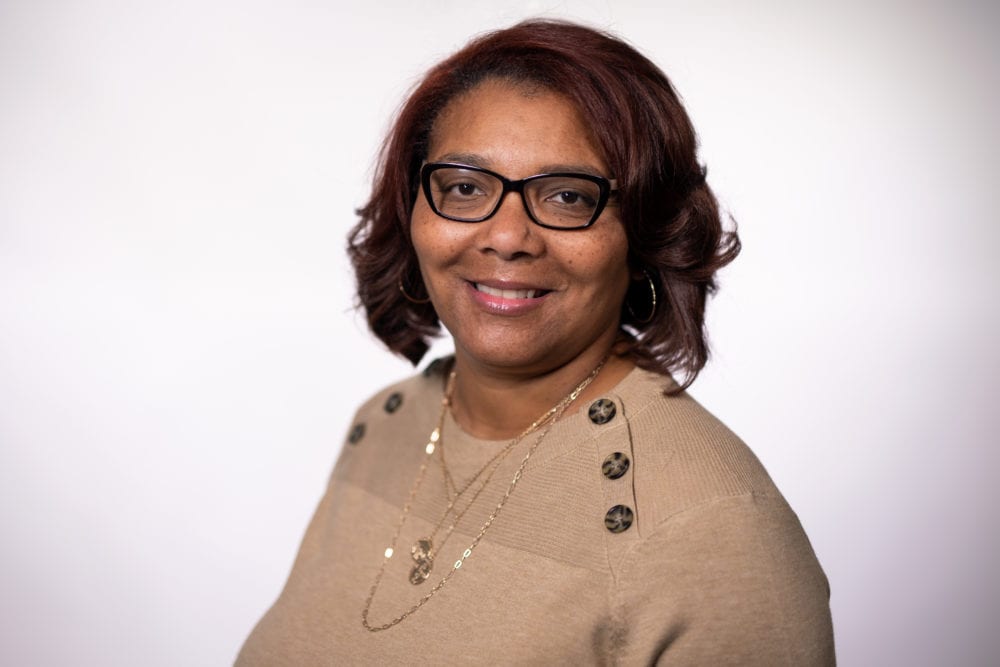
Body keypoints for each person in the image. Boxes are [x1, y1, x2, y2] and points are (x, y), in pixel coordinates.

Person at [237, 19, 834, 665]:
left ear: (645, 235)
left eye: (568, 196)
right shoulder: (383, 426)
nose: (507, 237)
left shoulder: (712, 526)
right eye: (466, 186)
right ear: (412, 205)